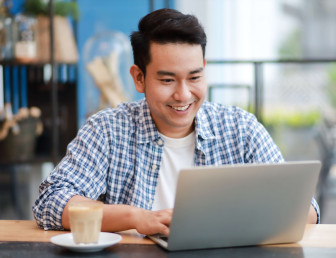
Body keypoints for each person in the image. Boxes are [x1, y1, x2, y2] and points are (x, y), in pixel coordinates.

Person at [33, 8, 320, 236]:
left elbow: (306, 209)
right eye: (167, 80)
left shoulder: (241, 129)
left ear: (204, 70)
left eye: (194, 77)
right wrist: (136, 218)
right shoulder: (108, 129)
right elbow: (51, 201)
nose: (183, 95)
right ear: (139, 78)